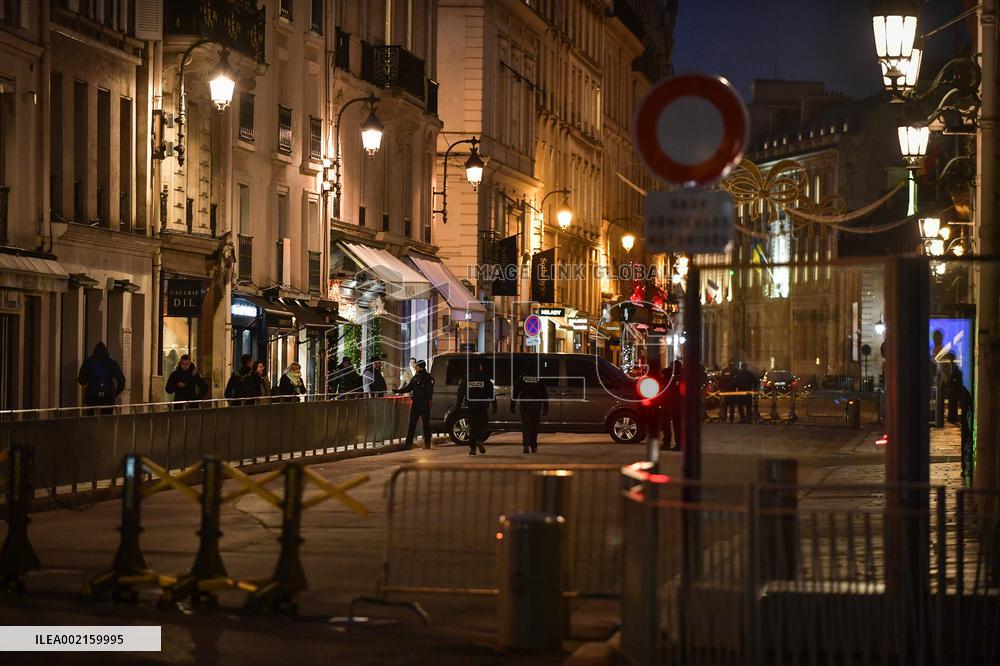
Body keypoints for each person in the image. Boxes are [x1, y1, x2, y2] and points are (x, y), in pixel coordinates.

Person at [457, 359, 496, 455]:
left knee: (473, 426)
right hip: (482, 405)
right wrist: (494, 405)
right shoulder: (485, 378)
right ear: (480, 367)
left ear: (472, 368)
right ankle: (479, 440)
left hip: (471, 406)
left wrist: (458, 405)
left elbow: (461, 392)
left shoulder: (467, 378)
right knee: (483, 425)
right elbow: (491, 393)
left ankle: (472, 448)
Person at [395, 359, 435, 449]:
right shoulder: (416, 377)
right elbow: (409, 388)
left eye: (416, 366)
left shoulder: (428, 378)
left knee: (426, 425)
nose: (415, 367)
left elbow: (429, 393)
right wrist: (398, 391)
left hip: (424, 404)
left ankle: (427, 443)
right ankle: (408, 444)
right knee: (412, 424)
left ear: (420, 367)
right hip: (416, 404)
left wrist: (425, 403)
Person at [77, 342, 126, 414]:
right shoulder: (112, 362)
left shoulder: (89, 362)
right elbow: (122, 380)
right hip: (108, 397)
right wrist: (115, 393)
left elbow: (81, 380)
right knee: (106, 420)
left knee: (91, 419)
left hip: (92, 396)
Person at [511, 371, 548, 453]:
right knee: (534, 426)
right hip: (536, 404)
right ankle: (534, 446)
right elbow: (544, 393)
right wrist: (546, 407)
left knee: (526, 426)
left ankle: (526, 446)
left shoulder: (522, 378)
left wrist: (512, 405)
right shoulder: (539, 378)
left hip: (525, 404)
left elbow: (515, 392)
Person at [659, 360, 683, 451]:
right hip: (673, 404)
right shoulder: (676, 376)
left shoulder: (670, 376)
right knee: (674, 425)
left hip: (671, 403)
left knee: (671, 424)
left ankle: (669, 443)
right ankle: (672, 443)